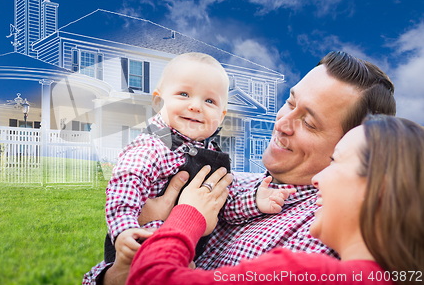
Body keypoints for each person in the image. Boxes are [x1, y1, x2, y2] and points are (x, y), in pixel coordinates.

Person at [83, 51, 396, 285]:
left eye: (309, 123)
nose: (282, 123)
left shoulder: (321, 236)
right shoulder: (237, 182)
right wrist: (116, 272)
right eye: (289, 102)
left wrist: (183, 217)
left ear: (356, 143)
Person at [127, 115, 424, 285]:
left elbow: (151, 280)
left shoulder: (307, 274)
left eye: (336, 162)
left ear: (379, 188)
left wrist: (186, 215)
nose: (319, 179)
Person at [103, 53, 293, 264]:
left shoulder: (213, 156)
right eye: (184, 94)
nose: (195, 106)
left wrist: (255, 200)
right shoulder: (151, 147)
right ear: (158, 101)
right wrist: (124, 229)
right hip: (141, 242)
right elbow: (125, 187)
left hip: (186, 251)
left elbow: (222, 204)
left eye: (209, 100)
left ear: (221, 116)